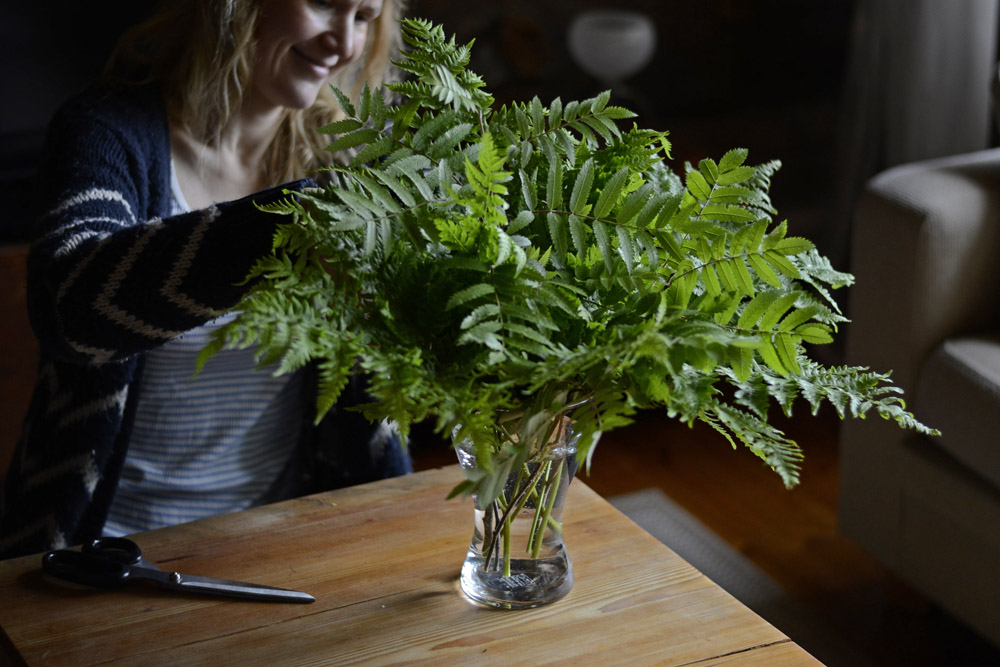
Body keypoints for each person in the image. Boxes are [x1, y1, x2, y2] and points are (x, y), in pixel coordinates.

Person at [0, 0, 411, 560]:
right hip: (105, 555)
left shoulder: (347, 162)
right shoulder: (106, 132)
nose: (343, 43)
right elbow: (68, 310)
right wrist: (288, 222)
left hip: (289, 544)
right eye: (324, 4)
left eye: (364, 17)